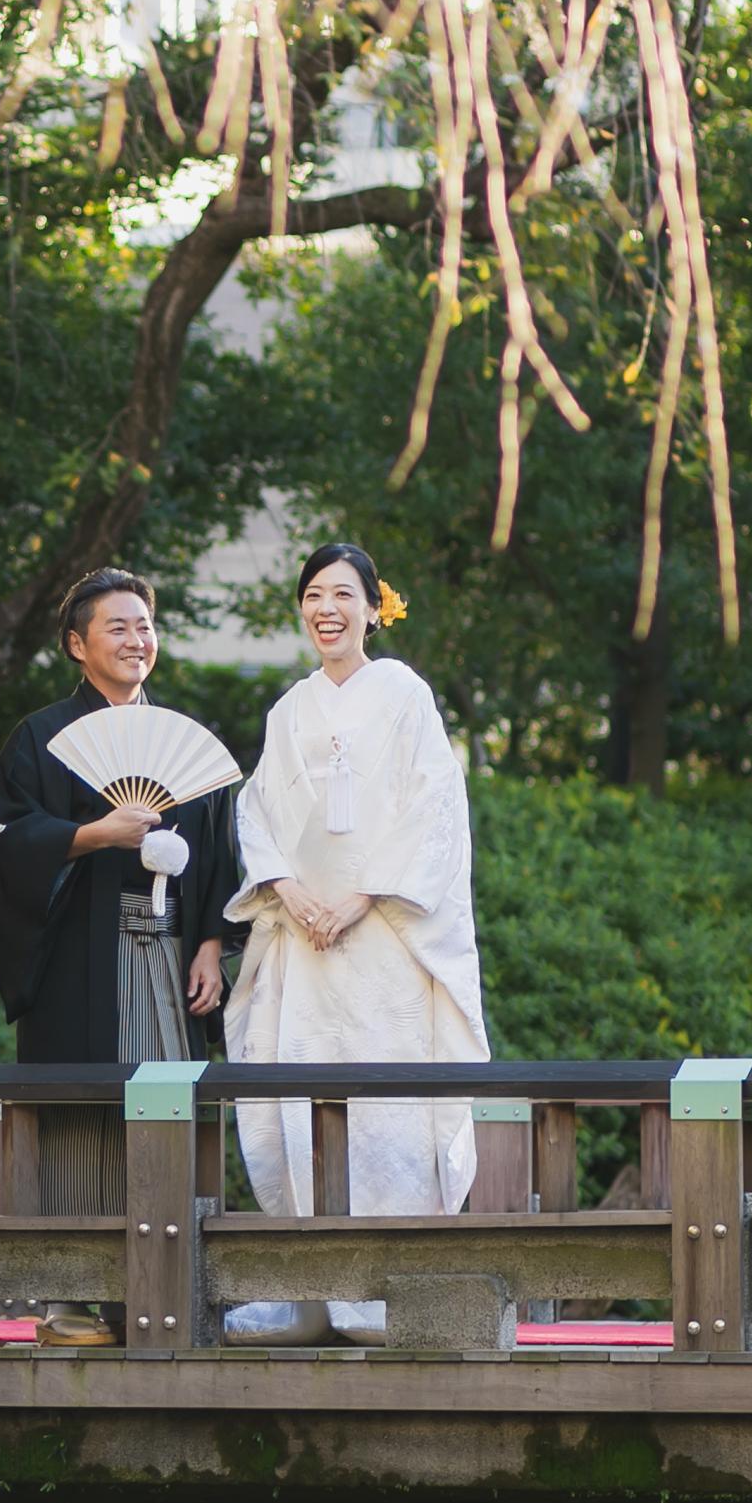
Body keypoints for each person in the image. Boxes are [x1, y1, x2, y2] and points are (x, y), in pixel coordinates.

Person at [218, 543, 488, 1343]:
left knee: (387, 1106)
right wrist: (292, 892)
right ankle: (311, 1289)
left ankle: (388, 1293)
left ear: (376, 606)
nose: (325, 608)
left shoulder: (404, 692)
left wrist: (362, 895)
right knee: (300, 1098)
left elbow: (434, 807)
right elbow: (256, 811)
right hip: (306, 941)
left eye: (342, 593)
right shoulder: (289, 708)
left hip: (381, 940)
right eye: (311, 593)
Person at [0, 568, 232, 1344]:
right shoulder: (42, 737)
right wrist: (94, 834)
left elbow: (222, 852)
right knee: (83, 1113)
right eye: (117, 626)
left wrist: (214, 945)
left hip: (169, 949)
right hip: (80, 954)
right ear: (76, 644)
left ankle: (168, 1286)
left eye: (145, 624)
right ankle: (71, 1300)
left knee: (169, 1109)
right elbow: (5, 846)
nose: (136, 639)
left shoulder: (185, 743)